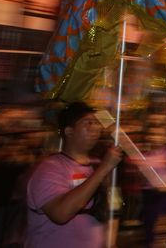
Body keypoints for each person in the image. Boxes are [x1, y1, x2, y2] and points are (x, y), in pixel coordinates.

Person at [26, 102, 123, 248]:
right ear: (69, 131)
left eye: (97, 123)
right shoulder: (50, 169)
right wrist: (104, 169)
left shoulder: (98, 165)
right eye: (87, 123)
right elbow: (60, 214)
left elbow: (112, 210)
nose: (95, 128)